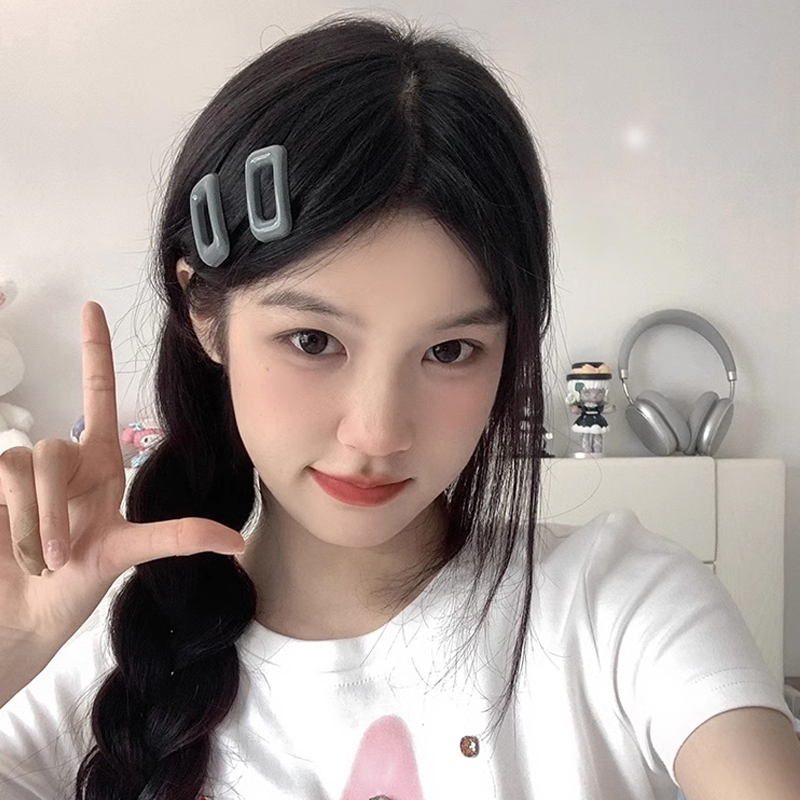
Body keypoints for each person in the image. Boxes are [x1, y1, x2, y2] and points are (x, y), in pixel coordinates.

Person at [0, 13, 798, 800]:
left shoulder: (617, 610)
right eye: (313, 340)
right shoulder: (93, 669)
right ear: (206, 313)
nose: (378, 431)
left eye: (449, 351)